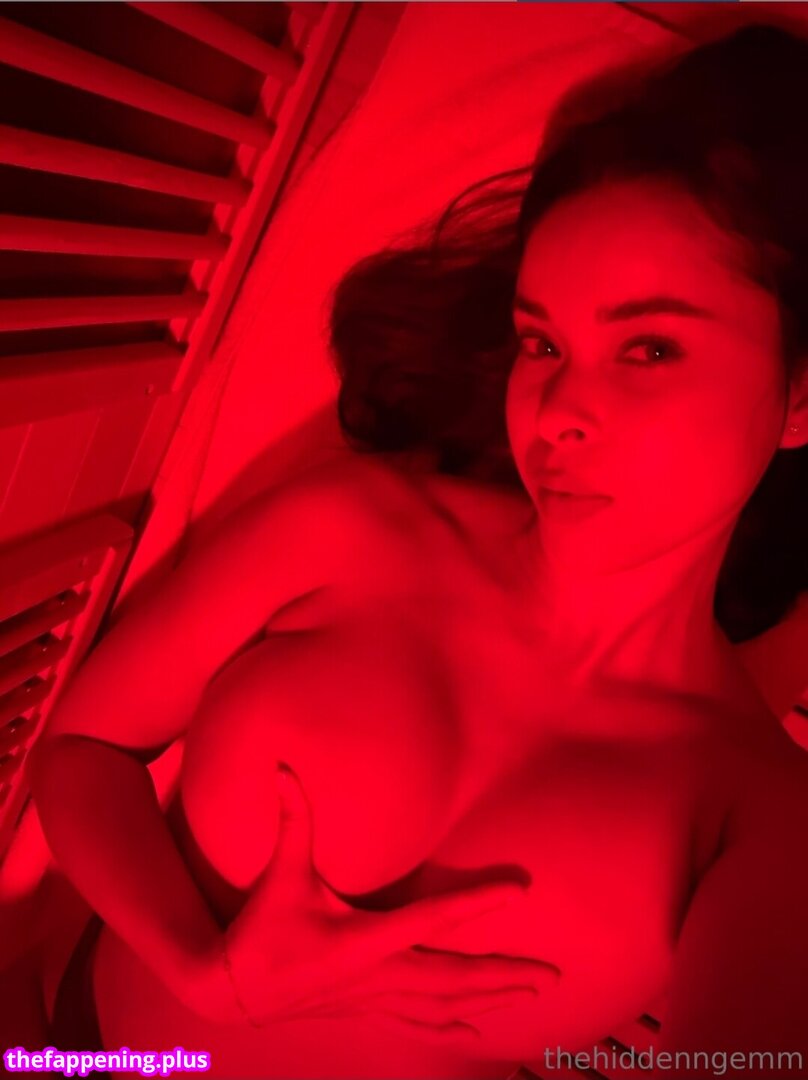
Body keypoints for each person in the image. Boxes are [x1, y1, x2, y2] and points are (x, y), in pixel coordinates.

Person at [29, 20, 808, 1080]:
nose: (558, 410)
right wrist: (199, 966)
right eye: (542, 342)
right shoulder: (355, 528)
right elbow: (82, 748)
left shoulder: (756, 814)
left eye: (649, 348)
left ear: (797, 396)